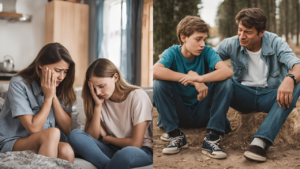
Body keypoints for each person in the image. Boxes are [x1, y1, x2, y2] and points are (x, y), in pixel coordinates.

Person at [215, 8, 300, 162]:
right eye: (240, 30)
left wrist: (290, 78)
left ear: (261, 32)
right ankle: (218, 129)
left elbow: (298, 66)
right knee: (224, 79)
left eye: (247, 32)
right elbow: (206, 61)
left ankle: (261, 142)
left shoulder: (275, 42)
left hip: (271, 97)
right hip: (242, 97)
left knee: (297, 83)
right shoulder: (231, 43)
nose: (241, 36)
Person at [153, 15, 233, 159]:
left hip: (204, 113)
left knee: (226, 81)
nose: (202, 43)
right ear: (183, 38)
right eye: (198, 39)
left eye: (204, 39)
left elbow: (227, 71)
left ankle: (213, 138)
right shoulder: (172, 52)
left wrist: (199, 78)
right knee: (159, 83)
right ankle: (175, 135)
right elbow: (155, 71)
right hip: (179, 114)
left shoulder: (207, 52)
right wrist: (193, 81)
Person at [67, 58, 153, 169]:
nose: (98, 92)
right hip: (112, 149)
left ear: (115, 78)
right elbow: (91, 137)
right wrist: (98, 106)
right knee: (74, 135)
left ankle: (114, 164)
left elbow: (136, 144)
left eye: (101, 86)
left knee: (125, 153)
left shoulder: (138, 96)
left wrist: (107, 138)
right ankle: (113, 165)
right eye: (94, 88)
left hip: (140, 150)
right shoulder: (100, 99)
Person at [0, 43, 76, 163]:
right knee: (52, 133)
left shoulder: (61, 86)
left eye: (65, 71)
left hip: (47, 141)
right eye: (58, 70)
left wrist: (53, 95)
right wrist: (47, 98)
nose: (62, 77)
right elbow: (33, 129)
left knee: (66, 150)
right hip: (14, 141)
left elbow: (67, 128)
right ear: (41, 65)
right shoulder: (18, 84)